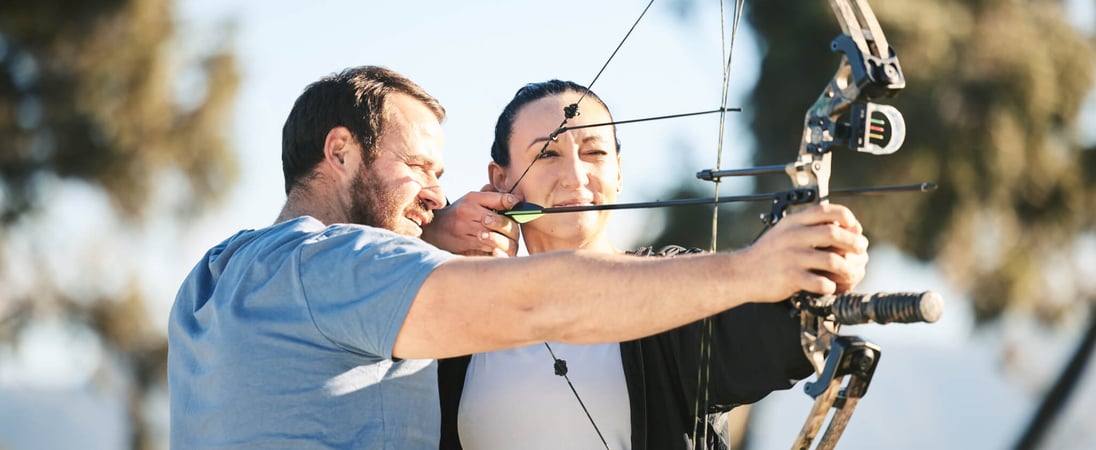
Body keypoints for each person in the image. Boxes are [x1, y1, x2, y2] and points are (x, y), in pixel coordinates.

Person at [167, 66, 869, 449]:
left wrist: (808, 276)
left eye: (595, 152)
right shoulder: (341, 268)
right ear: (341, 152)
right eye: (419, 167)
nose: (439, 195)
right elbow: (539, 298)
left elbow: (762, 337)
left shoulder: (222, 272)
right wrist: (753, 266)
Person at [438, 80, 839, 450]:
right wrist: (432, 239)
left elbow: (777, 337)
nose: (576, 175)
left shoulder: (678, 286)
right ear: (501, 180)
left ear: (619, 172)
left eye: (595, 152)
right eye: (547, 153)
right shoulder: (456, 312)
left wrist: (815, 267)